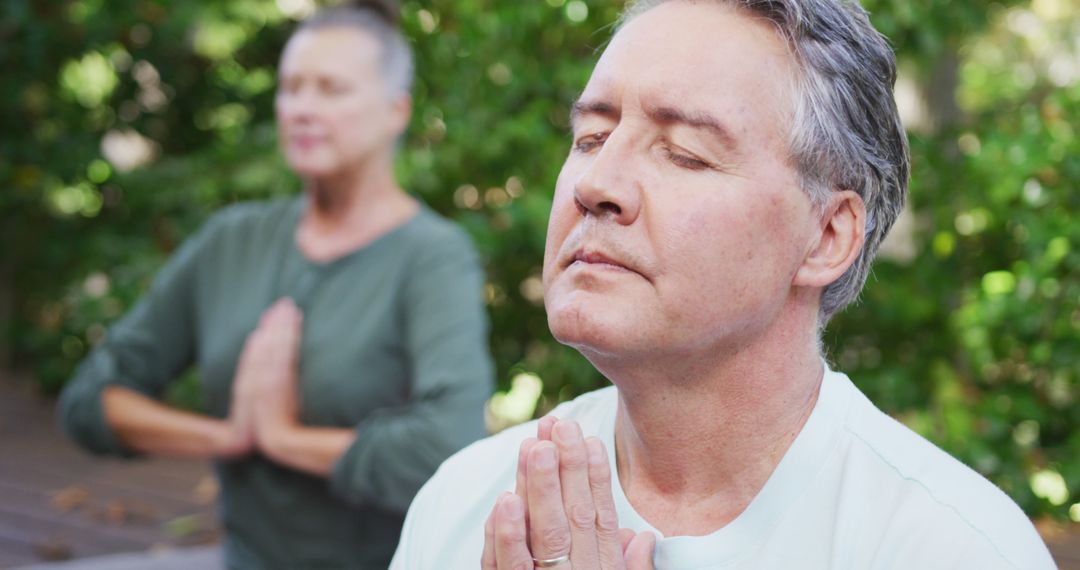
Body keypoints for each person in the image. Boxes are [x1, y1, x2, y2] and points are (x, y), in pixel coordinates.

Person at [390, 1, 1057, 568]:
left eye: (684, 153)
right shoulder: (469, 505)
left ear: (827, 236)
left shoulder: (950, 547)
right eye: (592, 138)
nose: (597, 185)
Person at [58, 1, 494, 568]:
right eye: (292, 88)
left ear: (396, 111)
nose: (303, 109)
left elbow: (450, 446)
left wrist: (283, 438)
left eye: (332, 89)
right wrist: (229, 436)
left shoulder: (433, 257)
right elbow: (91, 401)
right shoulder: (231, 241)